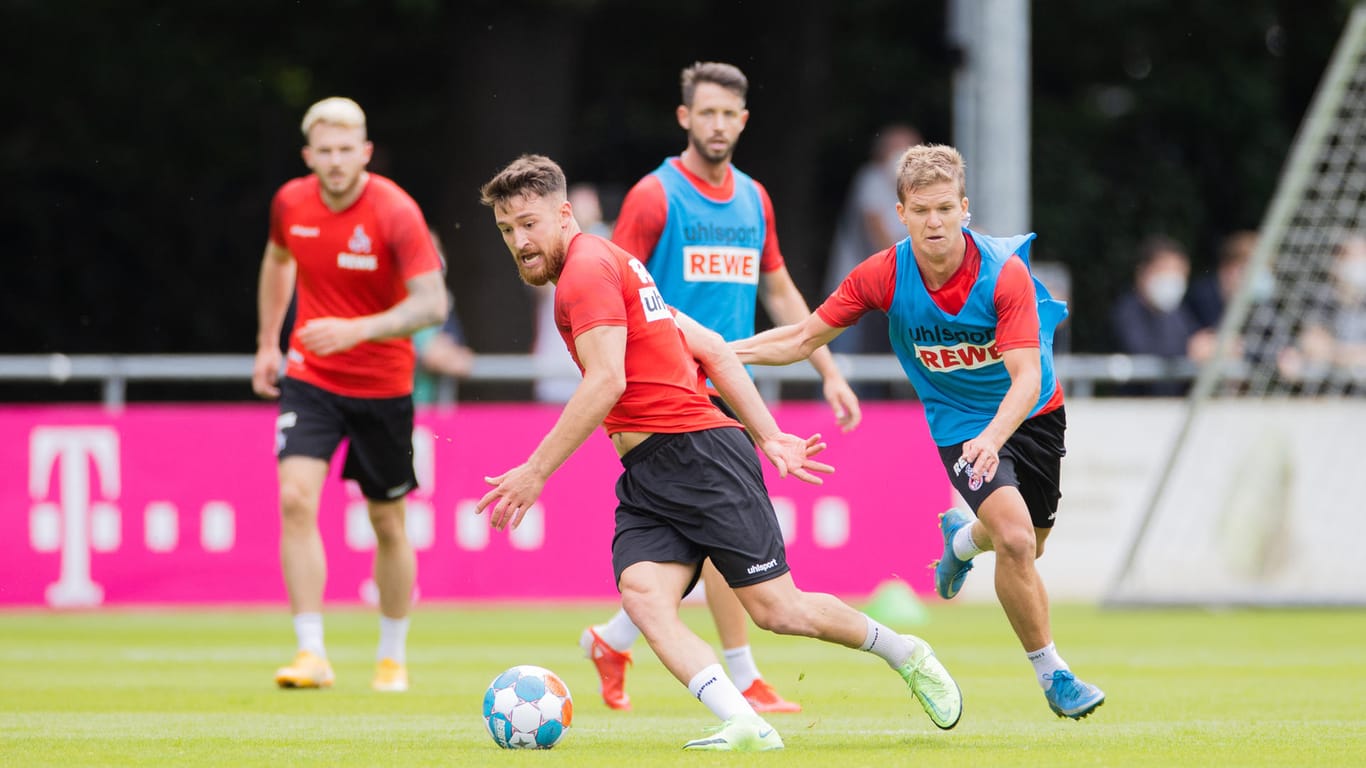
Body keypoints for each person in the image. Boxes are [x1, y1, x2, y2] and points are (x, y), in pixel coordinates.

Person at [476, 154, 961, 750]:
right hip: (652, 470)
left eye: (529, 223)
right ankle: (744, 722)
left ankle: (906, 652)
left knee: (779, 611)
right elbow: (713, 349)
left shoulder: (585, 273)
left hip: (699, 456)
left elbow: (606, 382)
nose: (520, 241)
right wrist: (769, 435)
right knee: (644, 596)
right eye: (507, 230)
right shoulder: (612, 264)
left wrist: (534, 472)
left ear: (564, 214)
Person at [731, 143, 1106, 721]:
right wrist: (716, 353)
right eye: (921, 211)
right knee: (1016, 539)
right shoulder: (882, 273)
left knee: (1029, 538)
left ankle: (960, 541)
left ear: (964, 209)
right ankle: (1054, 674)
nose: (934, 222)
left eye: (944, 210)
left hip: (1030, 413)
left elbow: (1027, 377)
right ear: (901, 214)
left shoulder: (1005, 276)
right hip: (958, 422)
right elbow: (802, 338)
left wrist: (996, 436)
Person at [582, 61, 862, 714]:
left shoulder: (753, 198)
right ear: (684, 118)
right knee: (721, 536)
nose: (716, 124)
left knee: (714, 538)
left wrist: (828, 367)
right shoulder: (655, 197)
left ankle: (616, 639)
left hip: (731, 388)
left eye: (727, 114)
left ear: (743, 120)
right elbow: (608, 281)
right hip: (669, 394)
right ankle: (737, 673)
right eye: (703, 113)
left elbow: (781, 289)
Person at [251, 96, 447, 692]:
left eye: (347, 150)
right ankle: (311, 651)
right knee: (294, 500)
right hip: (311, 379)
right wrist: (267, 342)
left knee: (387, 522)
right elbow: (278, 259)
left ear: (364, 152)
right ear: (309, 156)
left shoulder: (395, 211)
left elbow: (432, 304)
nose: (336, 162)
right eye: (325, 152)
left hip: (383, 387)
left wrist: (357, 330)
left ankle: (391, 655)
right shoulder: (290, 201)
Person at [824, 123, 923, 395]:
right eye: (899, 150)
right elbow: (880, 236)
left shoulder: (922, 188)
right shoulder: (871, 180)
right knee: (850, 358)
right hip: (858, 285)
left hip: (897, 289)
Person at [1109, 235, 1202, 396]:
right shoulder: (1126, 311)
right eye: (1164, 270)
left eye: (1178, 272)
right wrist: (1190, 349)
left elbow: (1197, 340)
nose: (1171, 278)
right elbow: (1142, 351)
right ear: (1143, 273)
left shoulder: (1178, 314)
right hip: (1130, 410)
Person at [1277, 233, 1366, 386]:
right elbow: (1312, 344)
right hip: (1322, 387)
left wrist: (1332, 353)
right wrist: (1353, 356)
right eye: (1350, 256)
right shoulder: (1318, 298)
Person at [413, 231, 475, 406]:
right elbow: (433, 355)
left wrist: (446, 355)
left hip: (429, 413)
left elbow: (462, 356)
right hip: (397, 414)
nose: (435, 259)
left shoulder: (444, 302)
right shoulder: (395, 300)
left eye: (437, 250)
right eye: (424, 251)